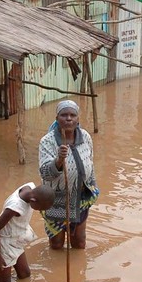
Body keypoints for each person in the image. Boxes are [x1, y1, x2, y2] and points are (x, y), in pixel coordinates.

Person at [39, 100, 99, 250]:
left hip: (80, 198)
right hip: (56, 200)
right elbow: (45, 173)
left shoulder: (85, 137)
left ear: (78, 118)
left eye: (72, 115)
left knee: (79, 243)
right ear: (57, 118)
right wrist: (59, 160)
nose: (68, 119)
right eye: (64, 115)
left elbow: (90, 164)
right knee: (57, 244)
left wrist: (92, 188)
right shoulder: (47, 141)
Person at [0, 183, 54, 282]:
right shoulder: (15, 208)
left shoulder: (30, 187)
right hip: (4, 243)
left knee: (25, 274)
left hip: (16, 238)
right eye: (40, 208)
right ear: (33, 201)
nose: (40, 211)